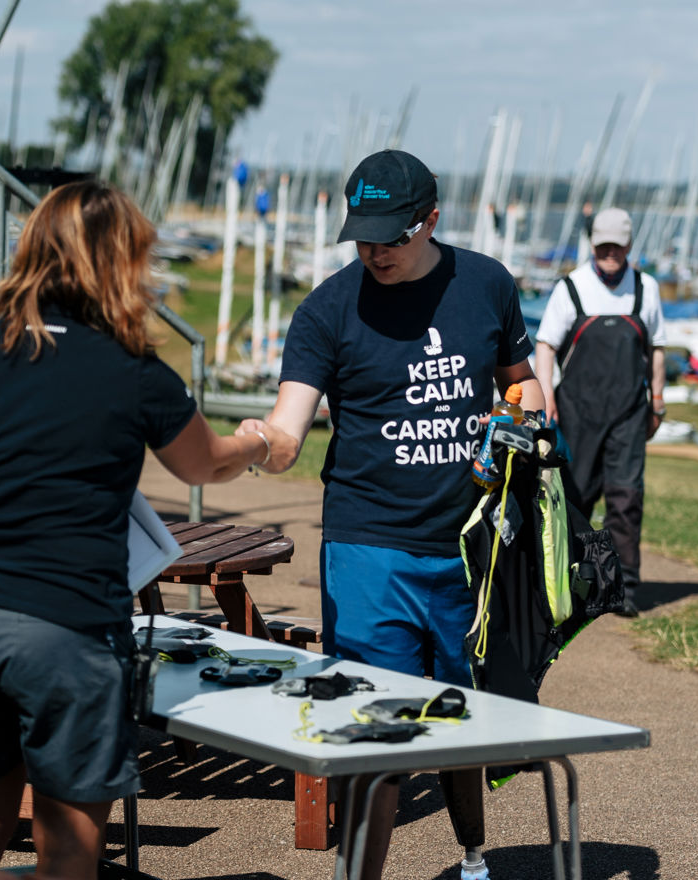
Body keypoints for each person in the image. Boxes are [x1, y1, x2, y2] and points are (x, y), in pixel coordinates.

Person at [0, 180, 272, 880]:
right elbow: (203, 465)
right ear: (121, 264)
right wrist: (254, 443)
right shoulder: (134, 370)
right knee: (68, 847)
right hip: (65, 626)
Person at [238, 149, 545, 880]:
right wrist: (257, 445)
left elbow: (523, 385)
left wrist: (520, 427)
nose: (374, 250)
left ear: (430, 219)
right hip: (368, 547)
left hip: (472, 549)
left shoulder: (487, 285)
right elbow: (289, 430)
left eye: (391, 236)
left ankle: (473, 857)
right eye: (363, 236)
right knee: (374, 736)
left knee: (461, 714)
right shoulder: (326, 311)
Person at [533, 207, 666, 617]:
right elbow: (545, 346)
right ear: (592, 246)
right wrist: (545, 396)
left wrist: (657, 401)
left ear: (628, 246)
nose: (609, 253)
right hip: (577, 411)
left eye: (617, 246)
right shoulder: (571, 288)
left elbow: (656, 350)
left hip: (629, 410)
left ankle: (622, 588)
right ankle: (567, 586)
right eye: (602, 246)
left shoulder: (646, 288)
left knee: (626, 499)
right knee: (575, 498)